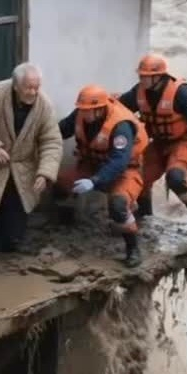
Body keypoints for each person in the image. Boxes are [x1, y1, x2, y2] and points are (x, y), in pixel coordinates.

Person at [0, 63, 62, 268]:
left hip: (22, 166)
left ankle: (10, 243)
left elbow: (51, 141)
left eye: (37, 87)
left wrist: (45, 173)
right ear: (16, 85)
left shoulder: (44, 105)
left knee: (17, 209)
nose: (33, 92)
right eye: (29, 87)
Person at [118, 54, 187, 236]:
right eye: (141, 76)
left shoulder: (181, 92)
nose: (142, 79)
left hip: (182, 141)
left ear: (159, 77)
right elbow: (120, 110)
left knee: (176, 179)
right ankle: (145, 214)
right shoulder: (138, 92)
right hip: (157, 142)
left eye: (146, 76)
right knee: (139, 178)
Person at [57, 85, 148, 266]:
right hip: (92, 165)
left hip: (124, 171)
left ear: (101, 109)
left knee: (118, 205)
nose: (86, 114)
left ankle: (133, 249)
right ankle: (65, 225)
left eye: (90, 110)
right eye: (83, 109)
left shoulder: (121, 125)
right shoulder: (81, 114)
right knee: (61, 184)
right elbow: (60, 130)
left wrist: (94, 181)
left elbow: (119, 161)